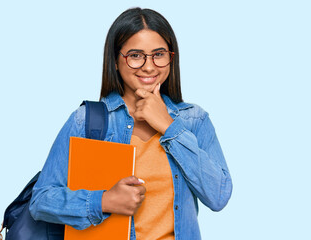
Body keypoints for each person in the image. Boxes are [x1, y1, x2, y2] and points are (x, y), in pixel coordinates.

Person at [29, 7, 232, 240]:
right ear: (115, 61)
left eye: (159, 54)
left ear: (171, 57)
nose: (148, 66)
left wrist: (169, 126)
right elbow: (41, 201)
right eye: (135, 55)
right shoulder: (88, 120)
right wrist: (103, 201)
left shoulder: (194, 121)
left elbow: (219, 196)